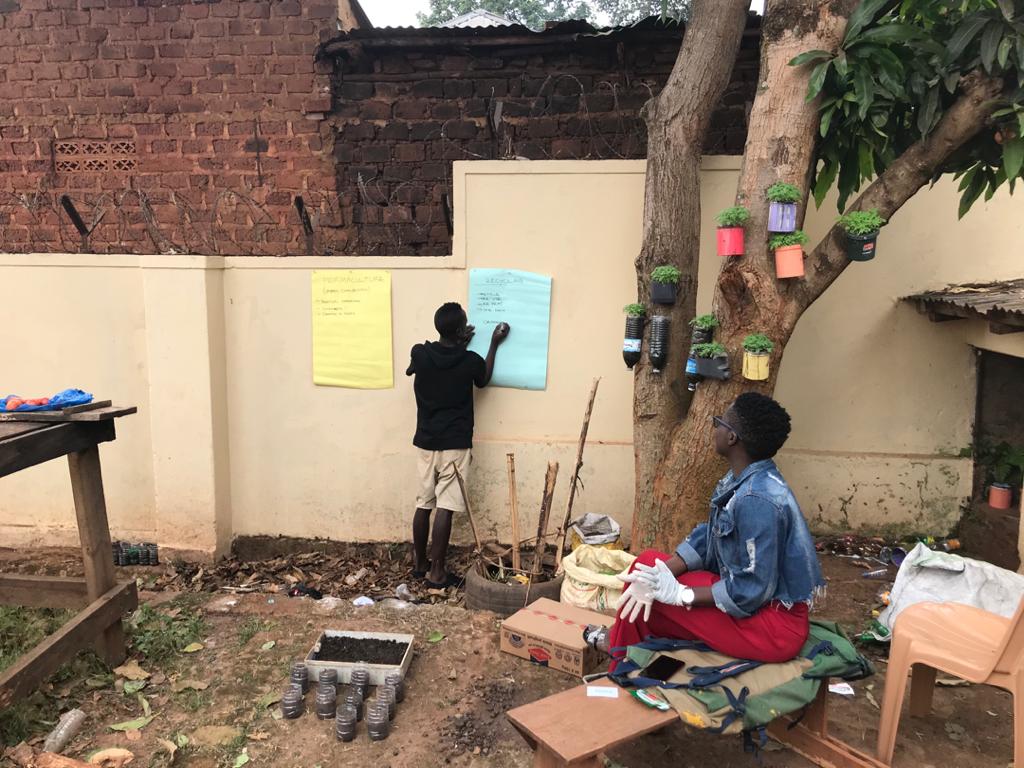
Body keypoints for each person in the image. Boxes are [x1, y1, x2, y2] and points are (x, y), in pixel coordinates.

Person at [585, 392, 825, 667]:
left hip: (772, 628)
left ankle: (619, 653)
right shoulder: (743, 479)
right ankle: (622, 648)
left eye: (719, 421)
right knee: (646, 567)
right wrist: (664, 572)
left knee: (651, 596)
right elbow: (711, 536)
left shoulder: (756, 500)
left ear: (732, 437)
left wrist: (681, 595)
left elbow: (752, 589)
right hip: (758, 612)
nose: (715, 427)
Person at [406, 302, 509, 589]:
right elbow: (484, 378)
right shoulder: (469, 361)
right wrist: (493, 343)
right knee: (446, 507)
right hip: (455, 444)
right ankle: (437, 573)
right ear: (462, 331)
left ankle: (419, 564)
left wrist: (456, 342)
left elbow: (415, 368)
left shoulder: (420, 353)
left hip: (426, 441)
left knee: (423, 503)